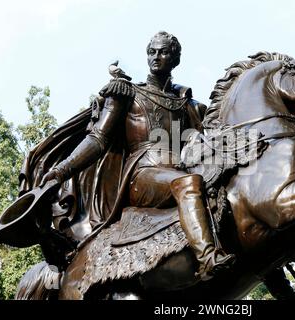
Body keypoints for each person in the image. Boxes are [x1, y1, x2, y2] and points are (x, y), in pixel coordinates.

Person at [40, 31, 235, 281]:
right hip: (142, 175)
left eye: (163, 52)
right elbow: (98, 139)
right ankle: (208, 258)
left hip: (180, 168)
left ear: (175, 59)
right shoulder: (127, 93)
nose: (156, 57)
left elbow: (210, 141)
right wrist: (63, 169)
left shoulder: (188, 104)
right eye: (152, 52)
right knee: (188, 183)